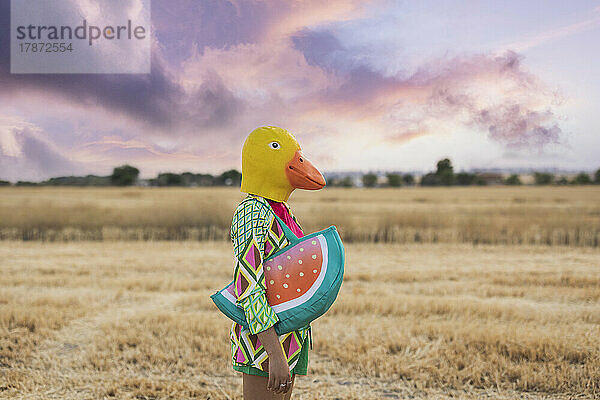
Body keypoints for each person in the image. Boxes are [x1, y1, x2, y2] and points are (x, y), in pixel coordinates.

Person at [229, 126, 326, 399]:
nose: (300, 162)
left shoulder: (281, 210)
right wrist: (274, 353)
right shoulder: (252, 211)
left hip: (288, 338)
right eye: (279, 150)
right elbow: (248, 285)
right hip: (265, 343)